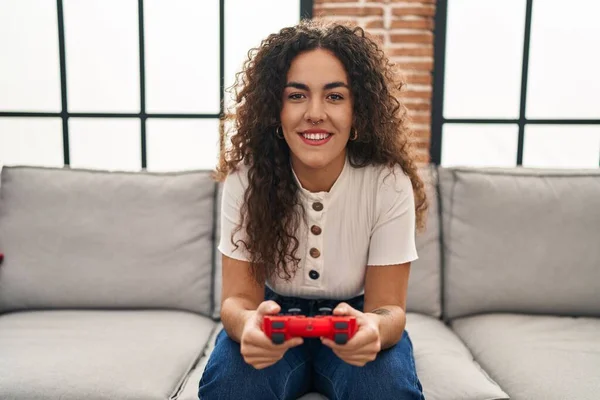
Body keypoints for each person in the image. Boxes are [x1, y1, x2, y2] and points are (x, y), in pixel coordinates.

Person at [198, 19, 428, 400]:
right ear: (275, 108)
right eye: (297, 95)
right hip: (274, 316)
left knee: (386, 387)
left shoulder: (388, 183)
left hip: (353, 318)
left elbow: (388, 308)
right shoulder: (246, 178)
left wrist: (372, 328)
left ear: (359, 110)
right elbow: (238, 302)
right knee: (231, 386)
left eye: (335, 97)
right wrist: (249, 324)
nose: (316, 113)